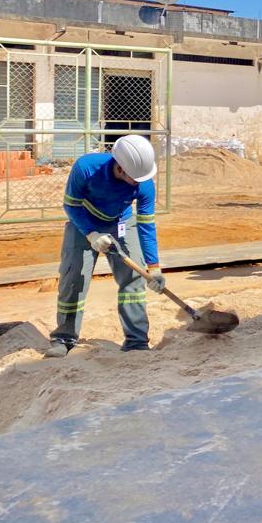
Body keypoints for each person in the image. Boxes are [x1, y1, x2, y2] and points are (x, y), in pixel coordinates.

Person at [45, 134, 165, 358]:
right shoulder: (86, 168)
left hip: (121, 222)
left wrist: (154, 266)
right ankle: (64, 338)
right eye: (135, 178)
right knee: (74, 278)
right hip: (84, 222)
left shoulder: (144, 183)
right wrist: (91, 234)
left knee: (133, 278)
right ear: (120, 168)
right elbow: (71, 205)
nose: (139, 182)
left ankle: (136, 341)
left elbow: (147, 225)